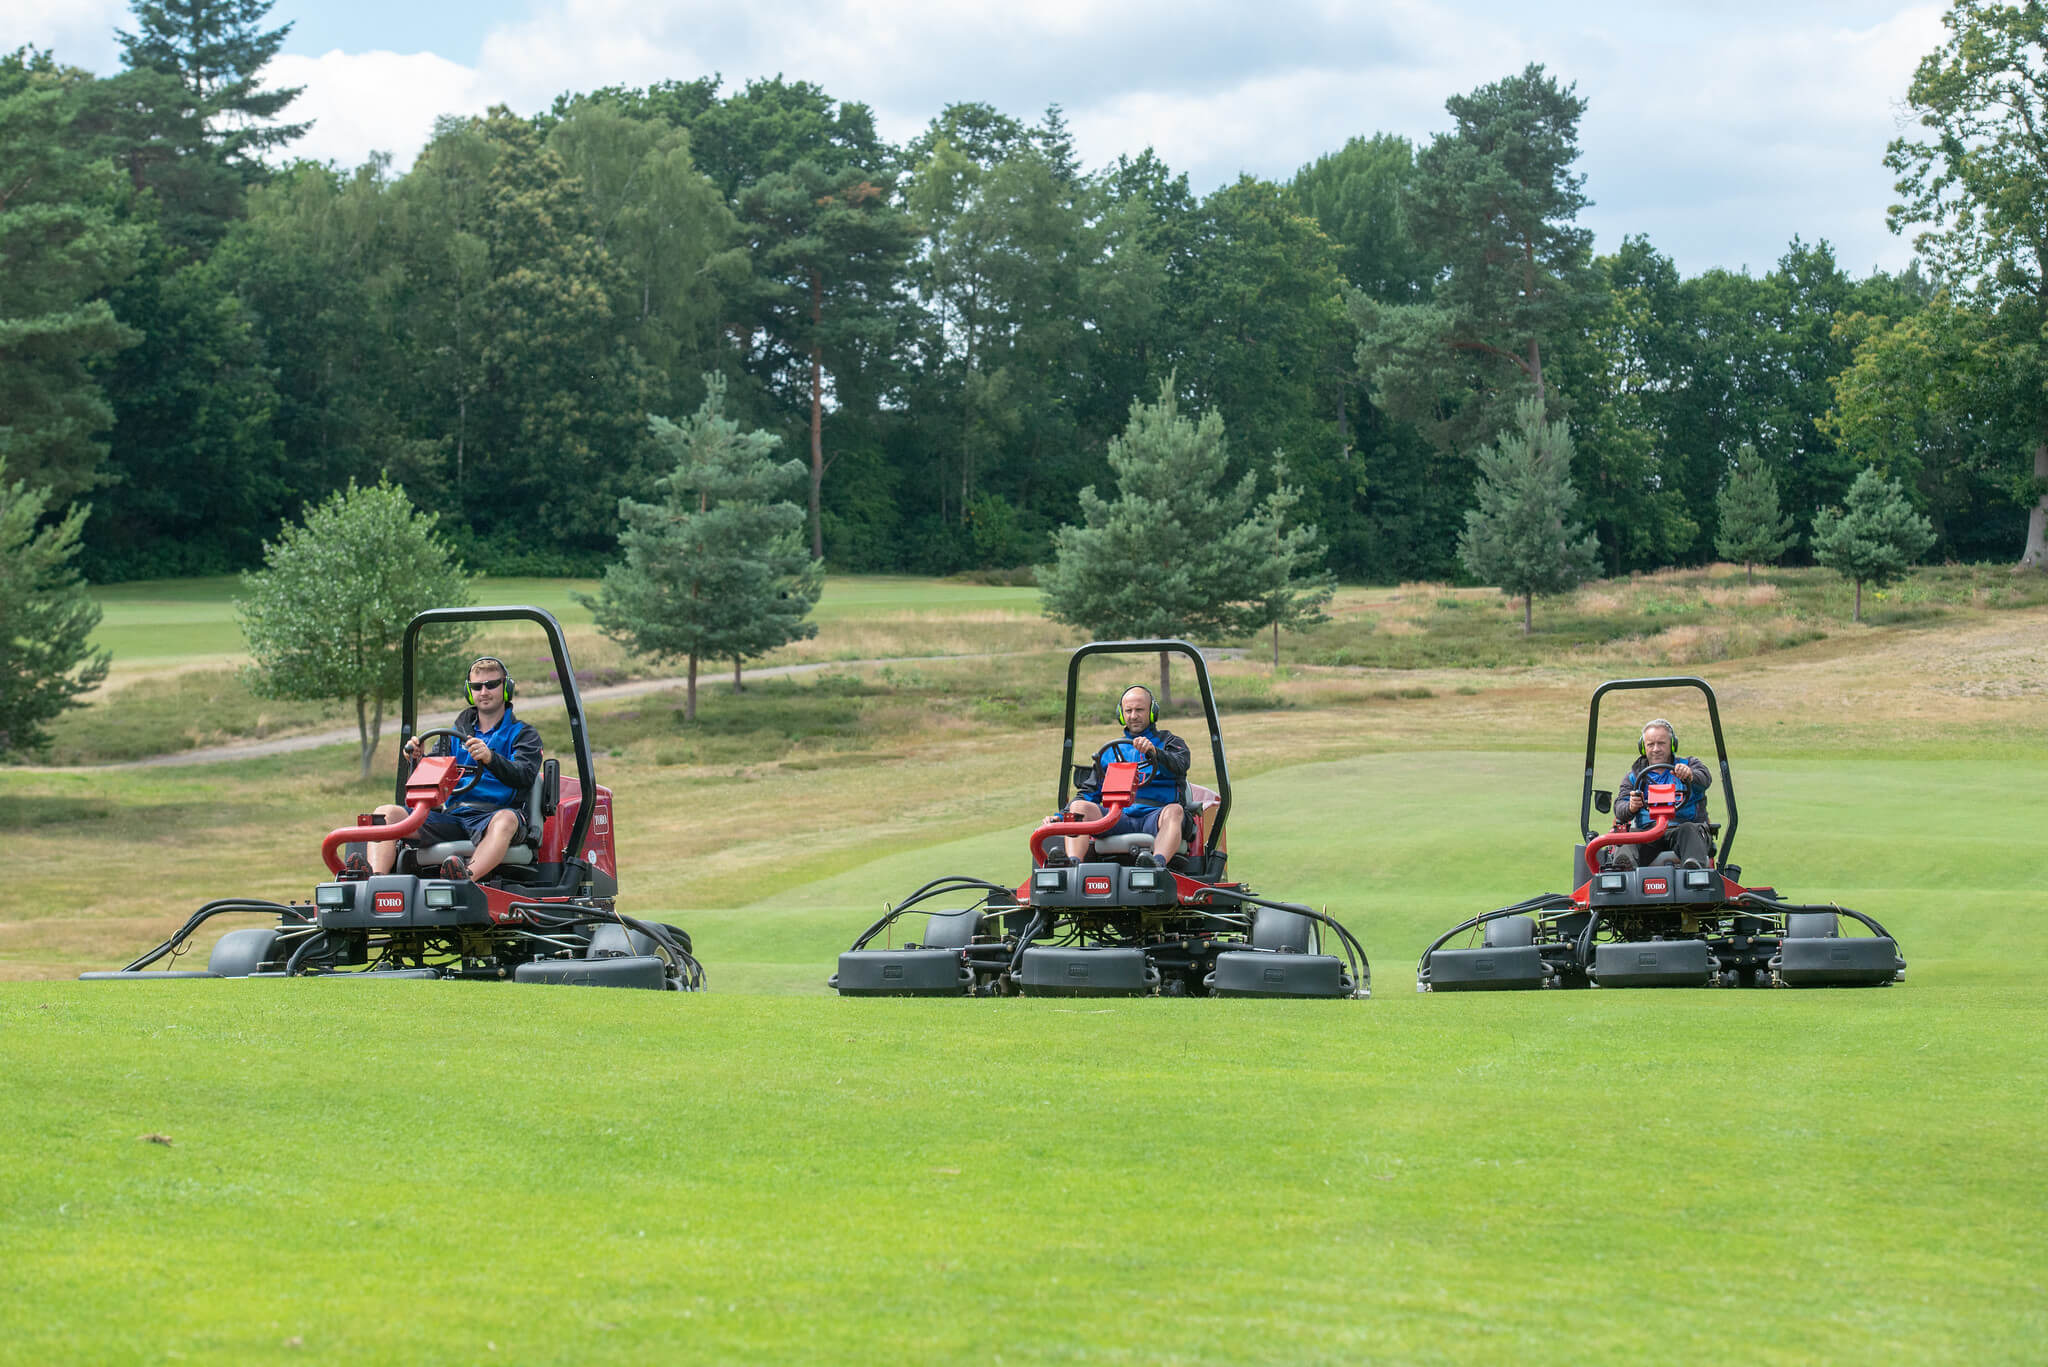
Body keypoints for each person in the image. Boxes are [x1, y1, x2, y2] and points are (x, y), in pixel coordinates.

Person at [365, 655, 542, 881]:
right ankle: (375, 882)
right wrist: (418, 759)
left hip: (494, 815)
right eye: (477, 687)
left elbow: (525, 775)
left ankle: (464, 879)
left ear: (506, 687)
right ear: (470, 692)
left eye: (491, 685)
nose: (484, 692)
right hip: (453, 817)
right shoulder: (454, 734)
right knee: (385, 814)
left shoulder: (524, 735)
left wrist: (491, 758)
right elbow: (434, 779)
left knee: (506, 820)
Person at [1054, 684, 1192, 869]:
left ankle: (1156, 865)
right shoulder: (1110, 753)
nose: (1133, 716)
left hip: (1156, 816)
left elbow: (1179, 766)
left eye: (1139, 710)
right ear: (1121, 714)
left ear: (1152, 711)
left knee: (1175, 811)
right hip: (1117, 816)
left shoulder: (1170, 743)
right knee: (1078, 807)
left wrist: (1155, 752)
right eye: (1129, 710)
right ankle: (1072, 866)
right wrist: (1061, 816)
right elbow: (1089, 792)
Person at [1609, 717, 1712, 869]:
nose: (1656, 749)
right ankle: (1623, 869)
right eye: (1651, 744)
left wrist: (1690, 775)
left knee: (1690, 829)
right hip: (1648, 833)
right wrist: (1630, 807)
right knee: (1628, 837)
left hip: (1681, 829)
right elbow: (1620, 807)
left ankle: (1693, 868)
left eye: (1661, 743)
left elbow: (1705, 779)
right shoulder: (1634, 777)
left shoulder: (1688, 765)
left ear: (1672, 745)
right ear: (1643, 748)